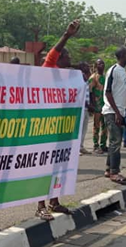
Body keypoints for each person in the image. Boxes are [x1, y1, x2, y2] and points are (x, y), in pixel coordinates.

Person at [33, 19, 80, 220]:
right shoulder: (48, 69)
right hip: (45, 128)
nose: (69, 57)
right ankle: (40, 205)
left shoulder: (68, 77)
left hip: (62, 128)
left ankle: (54, 201)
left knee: (58, 165)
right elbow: (54, 52)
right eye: (66, 55)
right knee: (44, 167)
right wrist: (67, 35)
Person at [102, 46, 126, 185]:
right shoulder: (114, 70)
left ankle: (109, 168)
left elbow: (118, 91)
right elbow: (108, 92)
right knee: (116, 142)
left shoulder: (123, 72)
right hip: (112, 111)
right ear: (122, 55)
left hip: (120, 111)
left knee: (114, 141)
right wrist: (116, 112)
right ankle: (115, 172)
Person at [88, 58, 107, 154]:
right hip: (97, 104)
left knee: (105, 126)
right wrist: (92, 104)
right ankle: (96, 145)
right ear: (96, 66)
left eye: (102, 63)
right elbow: (90, 91)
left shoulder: (105, 76)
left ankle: (103, 145)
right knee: (96, 126)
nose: (101, 65)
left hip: (105, 104)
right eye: (99, 64)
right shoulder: (93, 77)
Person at [78, 61, 91, 155]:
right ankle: (77, 148)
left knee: (84, 128)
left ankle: (81, 146)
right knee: (79, 128)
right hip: (81, 107)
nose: (88, 67)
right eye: (86, 66)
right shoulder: (80, 77)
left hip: (86, 107)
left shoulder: (86, 78)